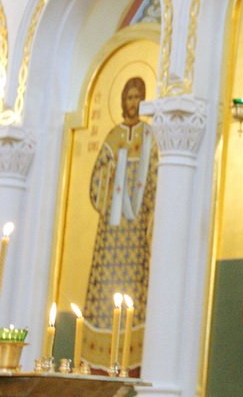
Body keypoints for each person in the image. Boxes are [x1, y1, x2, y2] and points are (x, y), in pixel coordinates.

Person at [84, 76, 158, 373]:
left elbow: (156, 175)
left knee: (135, 289)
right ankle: (98, 362)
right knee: (105, 289)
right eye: (129, 97)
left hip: (136, 231)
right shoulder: (113, 137)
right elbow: (96, 182)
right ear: (122, 101)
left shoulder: (150, 136)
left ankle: (134, 361)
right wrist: (114, 171)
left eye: (138, 97)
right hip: (112, 233)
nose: (133, 103)